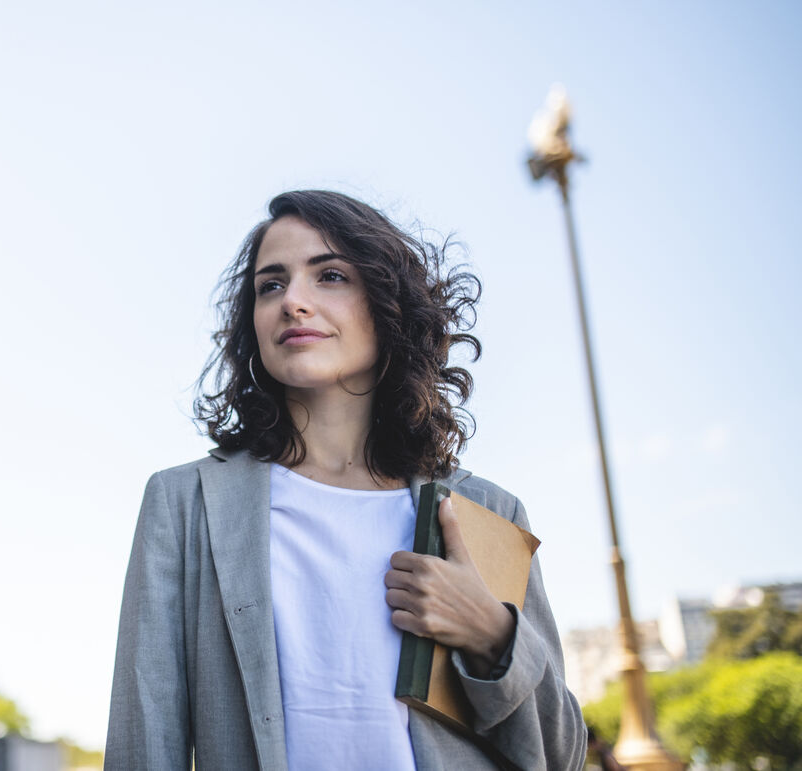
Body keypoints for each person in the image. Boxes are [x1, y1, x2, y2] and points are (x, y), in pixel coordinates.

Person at [105, 190, 586, 770]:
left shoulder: (483, 510)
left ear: (388, 305)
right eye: (271, 285)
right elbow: (144, 741)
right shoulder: (186, 505)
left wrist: (492, 634)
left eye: (330, 275)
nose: (294, 303)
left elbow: (561, 756)